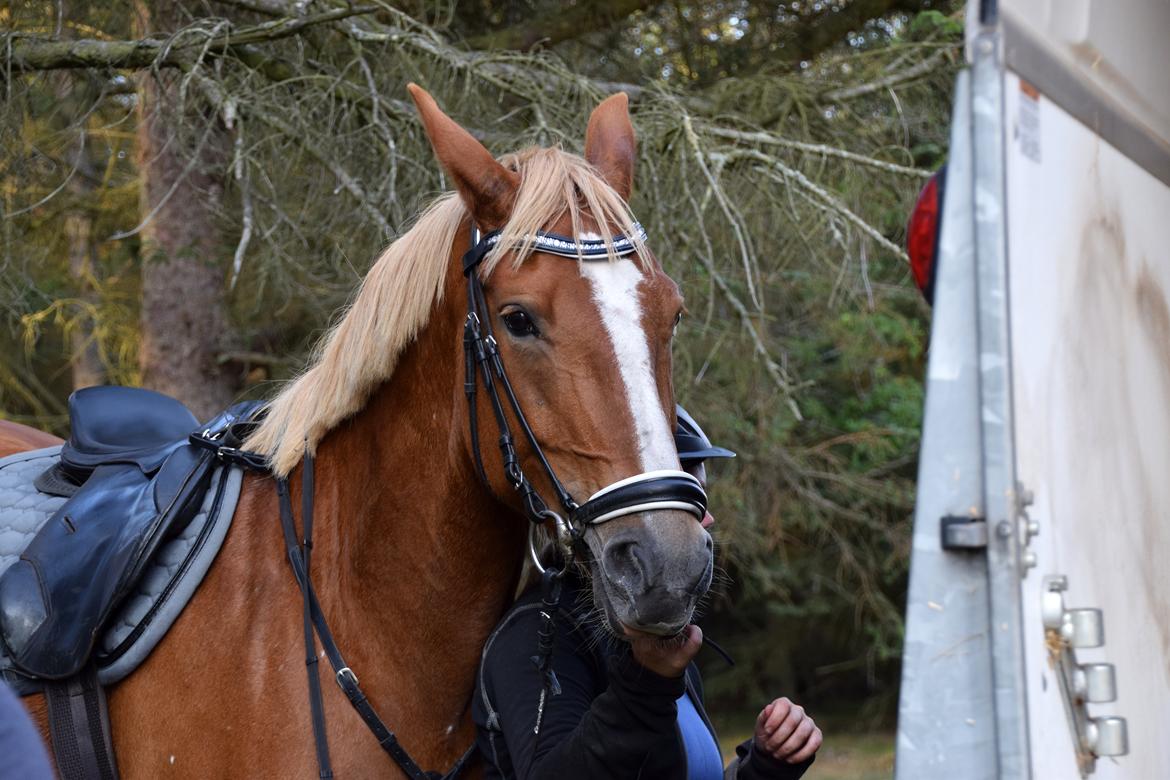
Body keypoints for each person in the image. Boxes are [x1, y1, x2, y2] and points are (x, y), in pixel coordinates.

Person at [473, 407, 822, 779]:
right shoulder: (537, 633)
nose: (708, 519)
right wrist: (646, 685)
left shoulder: (654, 643)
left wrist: (767, 763)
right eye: (684, 501)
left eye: (700, 497)